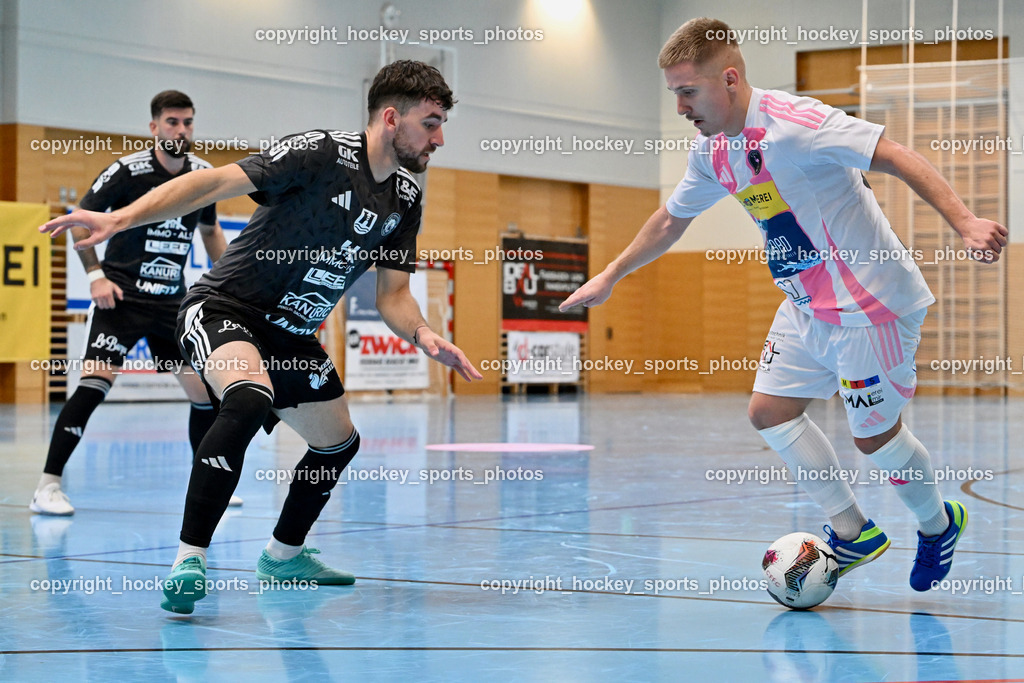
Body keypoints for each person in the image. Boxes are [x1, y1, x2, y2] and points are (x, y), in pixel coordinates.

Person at [561, 18, 1007, 592]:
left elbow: (893, 154)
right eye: (673, 93)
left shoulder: (800, 124)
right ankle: (854, 532)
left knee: (874, 438)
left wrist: (965, 221)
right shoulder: (712, 151)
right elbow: (672, 218)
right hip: (805, 302)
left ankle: (938, 523)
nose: (680, 107)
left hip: (870, 304)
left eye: (688, 92)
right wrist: (613, 273)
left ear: (728, 79)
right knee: (769, 412)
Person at [42, 60, 482, 614]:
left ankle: (283, 555)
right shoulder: (322, 153)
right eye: (432, 122)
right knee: (248, 397)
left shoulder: (405, 199)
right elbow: (216, 181)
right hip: (228, 308)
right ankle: (189, 558)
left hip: (294, 336)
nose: (440, 138)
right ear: (392, 118)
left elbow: (393, 294)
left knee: (339, 444)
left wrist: (423, 333)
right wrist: (121, 218)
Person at [30, 90, 237, 516]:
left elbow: (212, 231)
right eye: (173, 122)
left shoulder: (200, 175)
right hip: (119, 299)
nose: (181, 130)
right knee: (92, 387)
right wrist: (95, 276)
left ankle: (208, 481)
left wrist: (233, 281)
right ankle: (48, 486)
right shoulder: (127, 172)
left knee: (205, 393)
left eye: (188, 122)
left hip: (170, 305)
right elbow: (79, 221)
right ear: (154, 127)